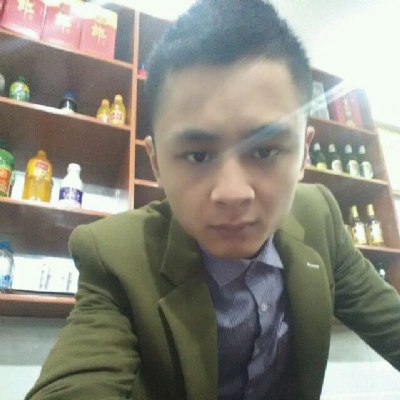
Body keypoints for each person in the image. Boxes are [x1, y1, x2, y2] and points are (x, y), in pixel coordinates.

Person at [26, 1, 400, 399]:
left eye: (265, 151)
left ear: (304, 152)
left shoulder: (319, 216)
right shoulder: (115, 257)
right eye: (198, 156)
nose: (232, 193)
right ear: (157, 162)